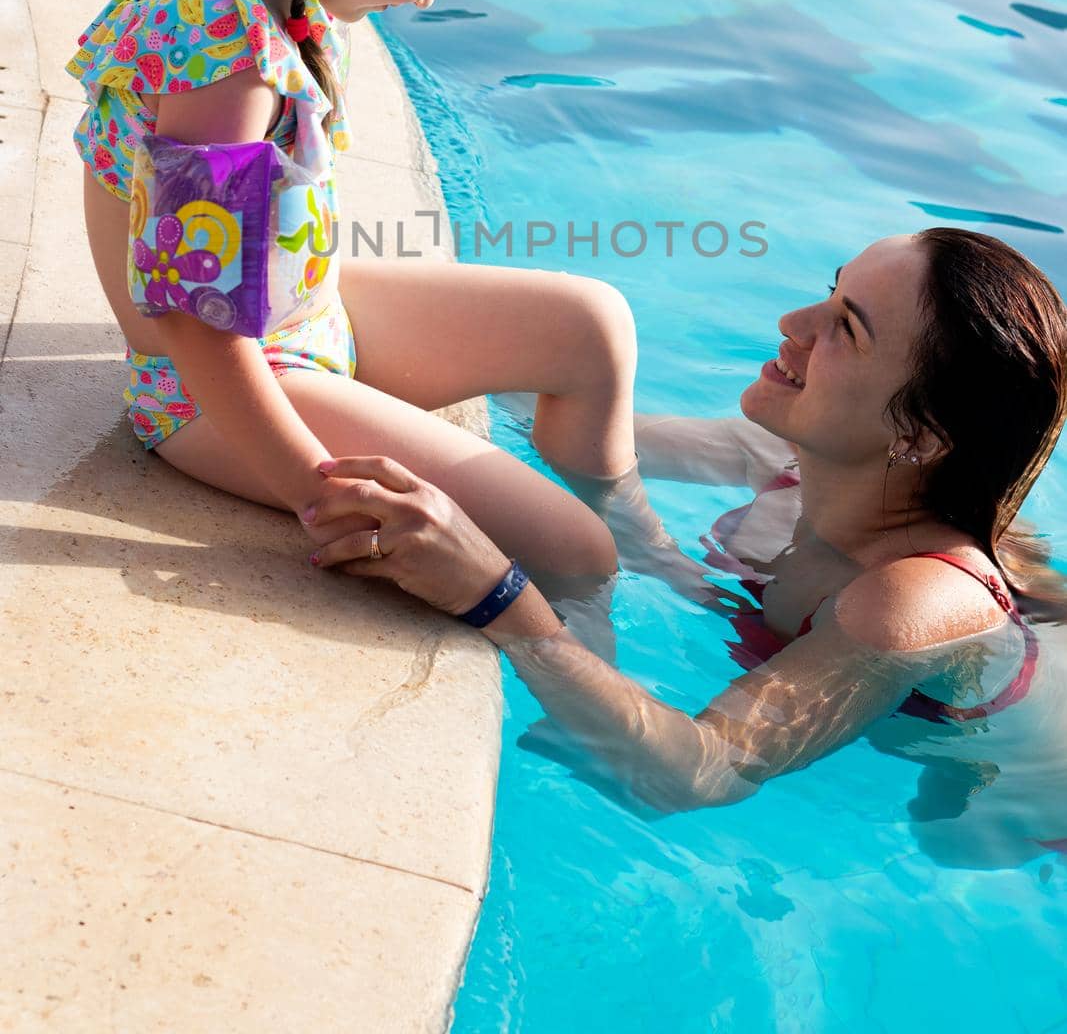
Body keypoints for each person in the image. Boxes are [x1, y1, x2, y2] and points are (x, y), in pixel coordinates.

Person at [66, 0, 641, 592]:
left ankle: (639, 532)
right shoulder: (225, 47)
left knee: (591, 326)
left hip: (305, 319)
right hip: (219, 392)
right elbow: (191, 318)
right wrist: (314, 488)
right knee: (573, 558)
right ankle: (598, 641)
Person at [300, 228, 1067, 845]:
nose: (792, 326)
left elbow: (696, 777)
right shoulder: (791, 454)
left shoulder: (910, 600)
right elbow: (542, 417)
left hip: (1027, 791)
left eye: (844, 329)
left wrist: (496, 595)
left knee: (954, 841)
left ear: (919, 433)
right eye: (828, 293)